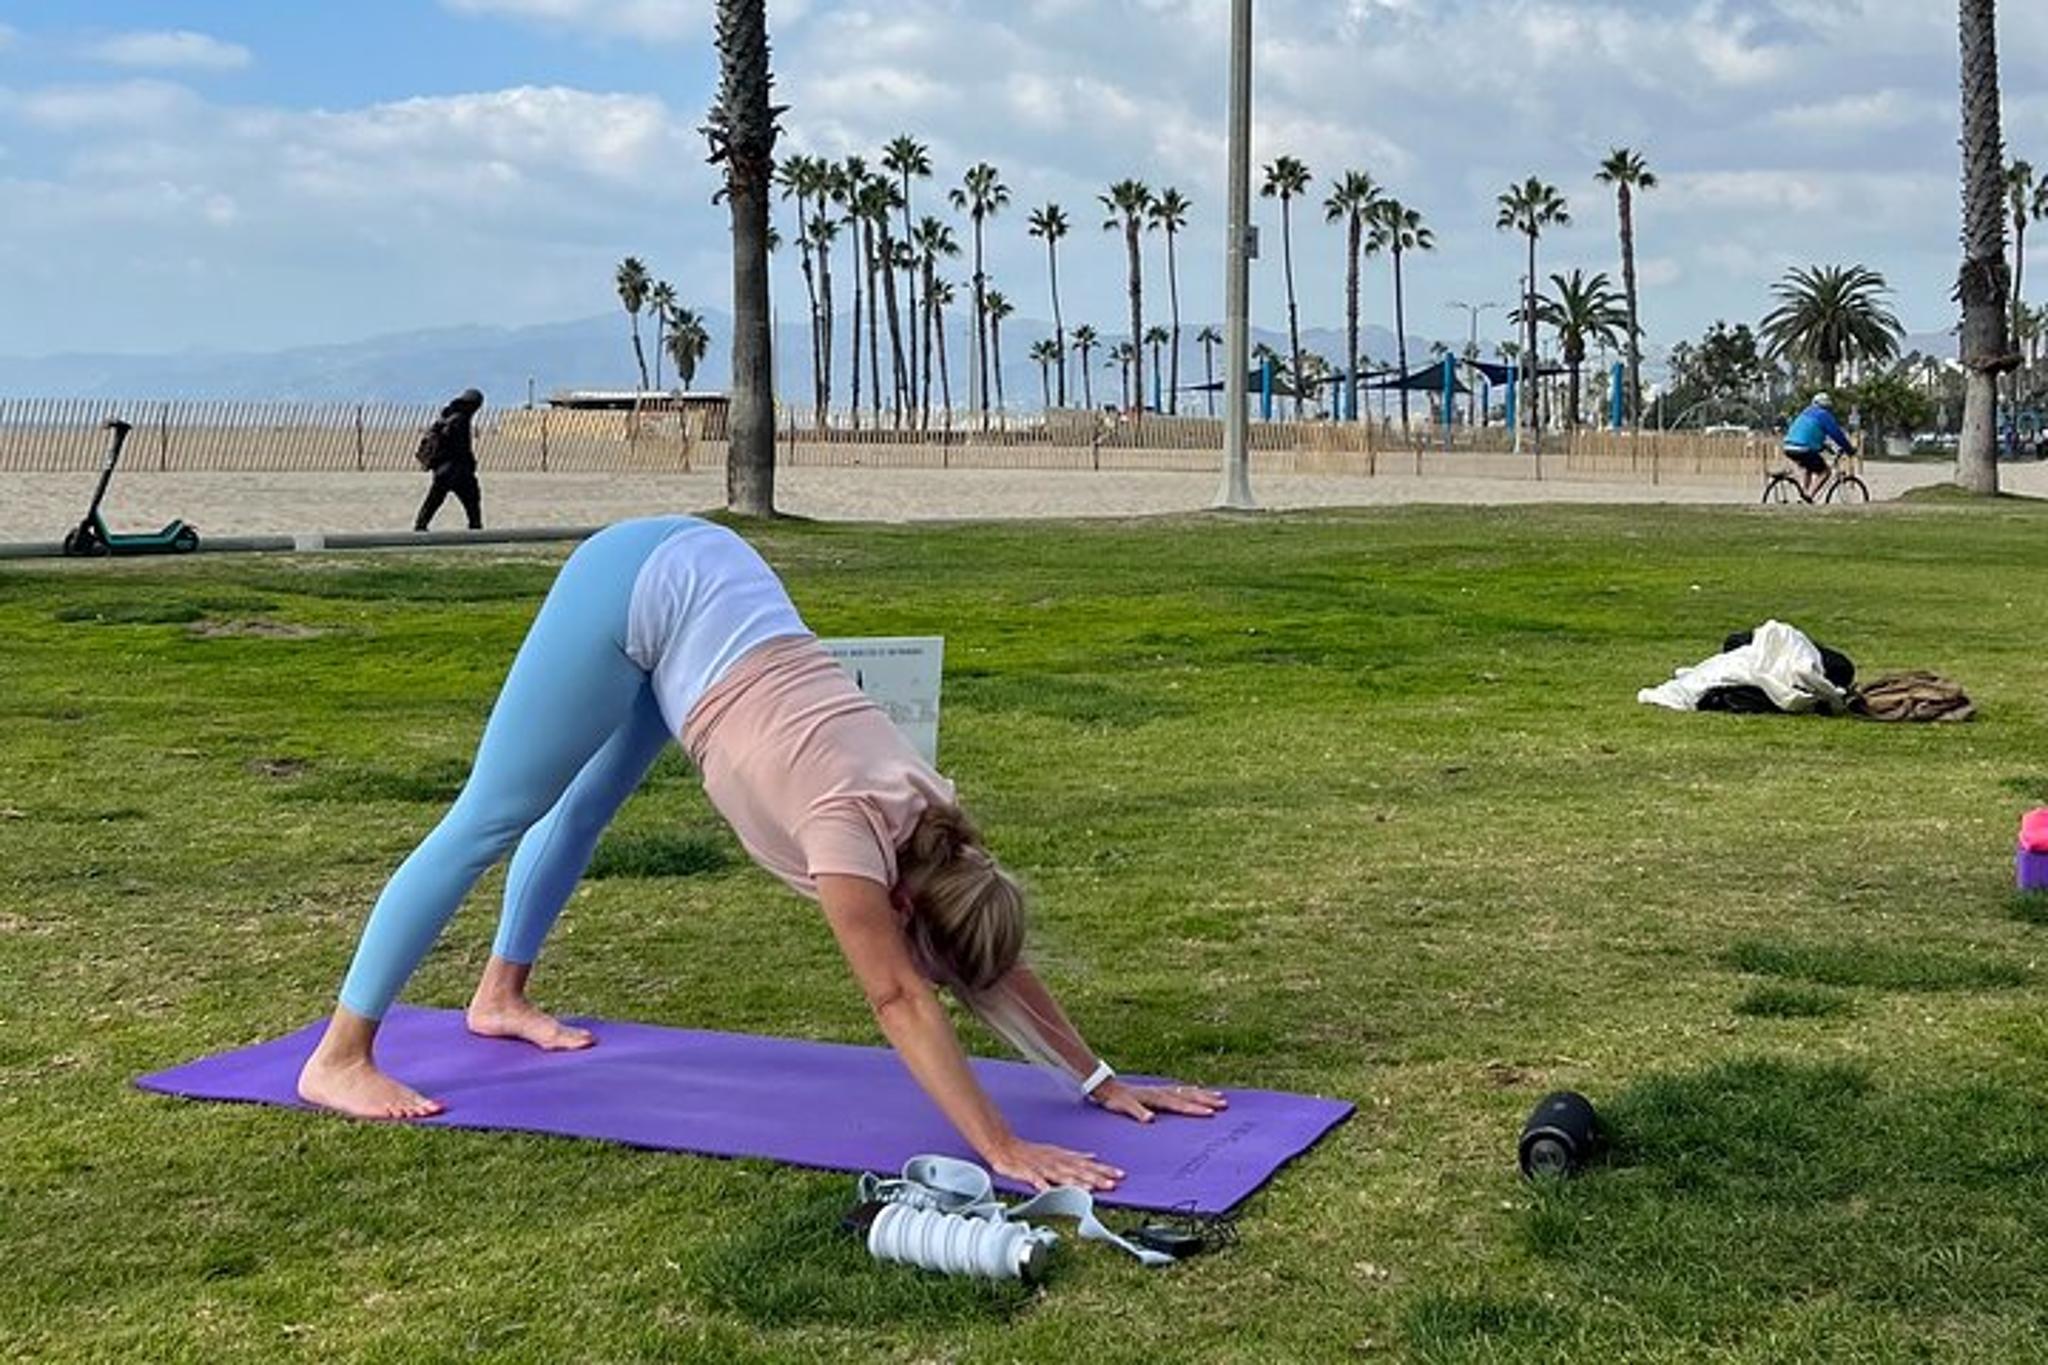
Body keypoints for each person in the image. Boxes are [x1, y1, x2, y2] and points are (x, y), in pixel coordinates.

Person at [297, 516, 1224, 1192]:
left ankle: (500, 997)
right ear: (903, 909)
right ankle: (341, 1054)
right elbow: (899, 995)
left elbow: (982, 957)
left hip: (716, 604)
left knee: (582, 811)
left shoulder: (944, 833)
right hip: (639, 581)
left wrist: (1096, 1079)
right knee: (492, 816)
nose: (948, 987)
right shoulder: (847, 837)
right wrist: (1001, 1146)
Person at [413, 388, 485, 532]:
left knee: (433, 501)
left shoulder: (446, 416)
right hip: (457, 470)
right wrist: (471, 464)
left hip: (442, 470)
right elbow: (461, 447)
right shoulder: (461, 419)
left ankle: (420, 527)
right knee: (472, 500)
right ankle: (476, 530)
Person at [1782, 392, 1856, 501]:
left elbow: (1808, 434)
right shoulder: (1823, 415)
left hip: (1788, 446)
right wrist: (1849, 450)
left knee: (1809, 467)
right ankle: (1809, 495)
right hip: (1803, 448)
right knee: (1825, 472)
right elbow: (1837, 435)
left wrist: (1825, 447)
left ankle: (1802, 496)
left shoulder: (1805, 412)